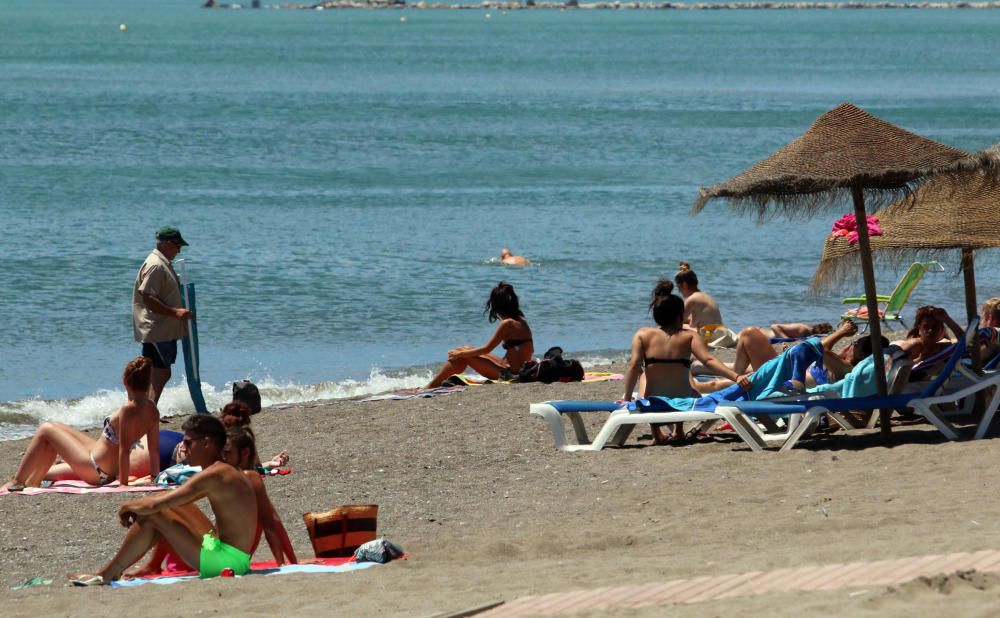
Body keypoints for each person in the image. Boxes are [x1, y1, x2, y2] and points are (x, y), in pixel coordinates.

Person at [69, 415, 257, 585]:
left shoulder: (214, 474)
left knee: (154, 513)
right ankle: (117, 570)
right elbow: (173, 500)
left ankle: (108, 573)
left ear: (207, 443)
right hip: (234, 555)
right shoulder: (224, 470)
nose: (184, 448)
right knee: (171, 507)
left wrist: (126, 506)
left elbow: (156, 505)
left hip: (225, 563)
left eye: (188, 443)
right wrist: (142, 505)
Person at [124, 425, 296, 579]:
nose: (222, 459)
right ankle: (152, 565)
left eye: (227, 454)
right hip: (213, 550)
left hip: (220, 558)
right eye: (221, 454)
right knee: (170, 506)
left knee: (163, 510)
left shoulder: (249, 479)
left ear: (243, 453)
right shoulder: (227, 477)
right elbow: (272, 523)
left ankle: (146, 566)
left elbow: (271, 524)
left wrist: (284, 565)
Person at [2, 357, 160, 491]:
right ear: (147, 383)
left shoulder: (127, 409)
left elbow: (125, 450)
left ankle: (17, 481)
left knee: (45, 430)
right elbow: (154, 449)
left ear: (125, 381)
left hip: (96, 468)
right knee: (55, 427)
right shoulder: (152, 409)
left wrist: (123, 484)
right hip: (102, 462)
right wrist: (155, 478)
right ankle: (33, 481)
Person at [623, 293, 748, 444]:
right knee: (684, 368)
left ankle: (656, 434)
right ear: (679, 316)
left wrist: (627, 398)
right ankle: (679, 430)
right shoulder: (690, 336)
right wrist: (736, 377)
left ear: (656, 316)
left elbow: (633, 366)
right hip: (684, 403)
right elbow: (709, 361)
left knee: (644, 374)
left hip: (653, 403)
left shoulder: (642, 334)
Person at [426, 282, 534, 388]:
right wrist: (462, 352)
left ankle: (431, 385)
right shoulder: (521, 321)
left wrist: (459, 355)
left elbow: (487, 349)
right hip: (518, 371)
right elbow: (529, 350)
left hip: (512, 376)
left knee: (462, 356)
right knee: (465, 349)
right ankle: (435, 383)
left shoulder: (507, 323)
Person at [133, 226, 195, 403]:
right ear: (168, 243)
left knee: (156, 372)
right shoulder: (156, 265)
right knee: (160, 372)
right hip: (157, 329)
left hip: (163, 329)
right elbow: (148, 297)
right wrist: (175, 312)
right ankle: (148, 410)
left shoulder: (162, 263)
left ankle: (147, 410)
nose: (179, 250)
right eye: (178, 246)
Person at [673, 262, 724, 336]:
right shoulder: (704, 296)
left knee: (672, 328)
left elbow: (677, 323)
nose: (679, 291)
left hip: (709, 336)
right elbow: (691, 319)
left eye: (678, 287)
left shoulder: (692, 299)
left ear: (684, 285)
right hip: (719, 333)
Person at [767, 322, 834, 339]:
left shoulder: (807, 333)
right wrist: (786, 339)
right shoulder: (802, 329)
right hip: (764, 335)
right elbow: (774, 326)